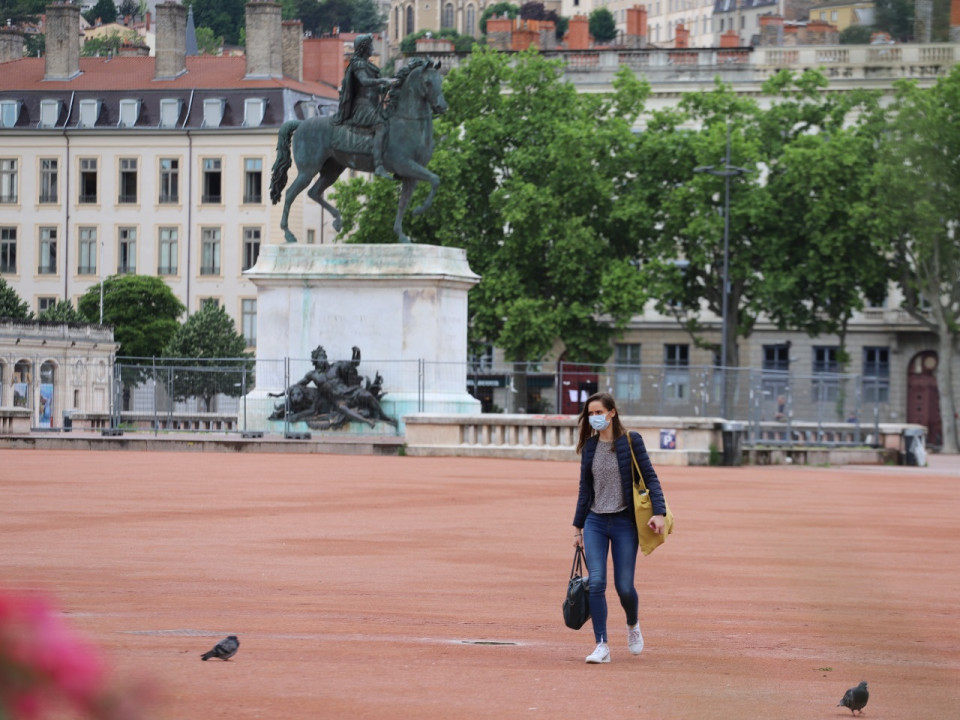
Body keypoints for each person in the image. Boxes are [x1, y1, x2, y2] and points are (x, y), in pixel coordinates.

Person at [572, 392, 667, 664]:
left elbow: (650, 477)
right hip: (595, 522)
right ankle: (601, 645)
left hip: (625, 522)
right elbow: (584, 489)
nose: (594, 418)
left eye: (599, 412)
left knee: (624, 586)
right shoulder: (589, 446)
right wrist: (577, 528)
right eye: (590, 414)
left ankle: (632, 624)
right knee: (597, 582)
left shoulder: (631, 441)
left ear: (612, 412)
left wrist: (658, 512)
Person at [335, 33, 394, 179]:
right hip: (361, 105)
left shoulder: (369, 66)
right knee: (380, 125)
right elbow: (364, 82)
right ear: (364, 48)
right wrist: (383, 81)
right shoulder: (358, 64)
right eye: (370, 45)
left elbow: (373, 89)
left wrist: (388, 87)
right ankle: (379, 165)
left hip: (372, 104)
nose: (373, 47)